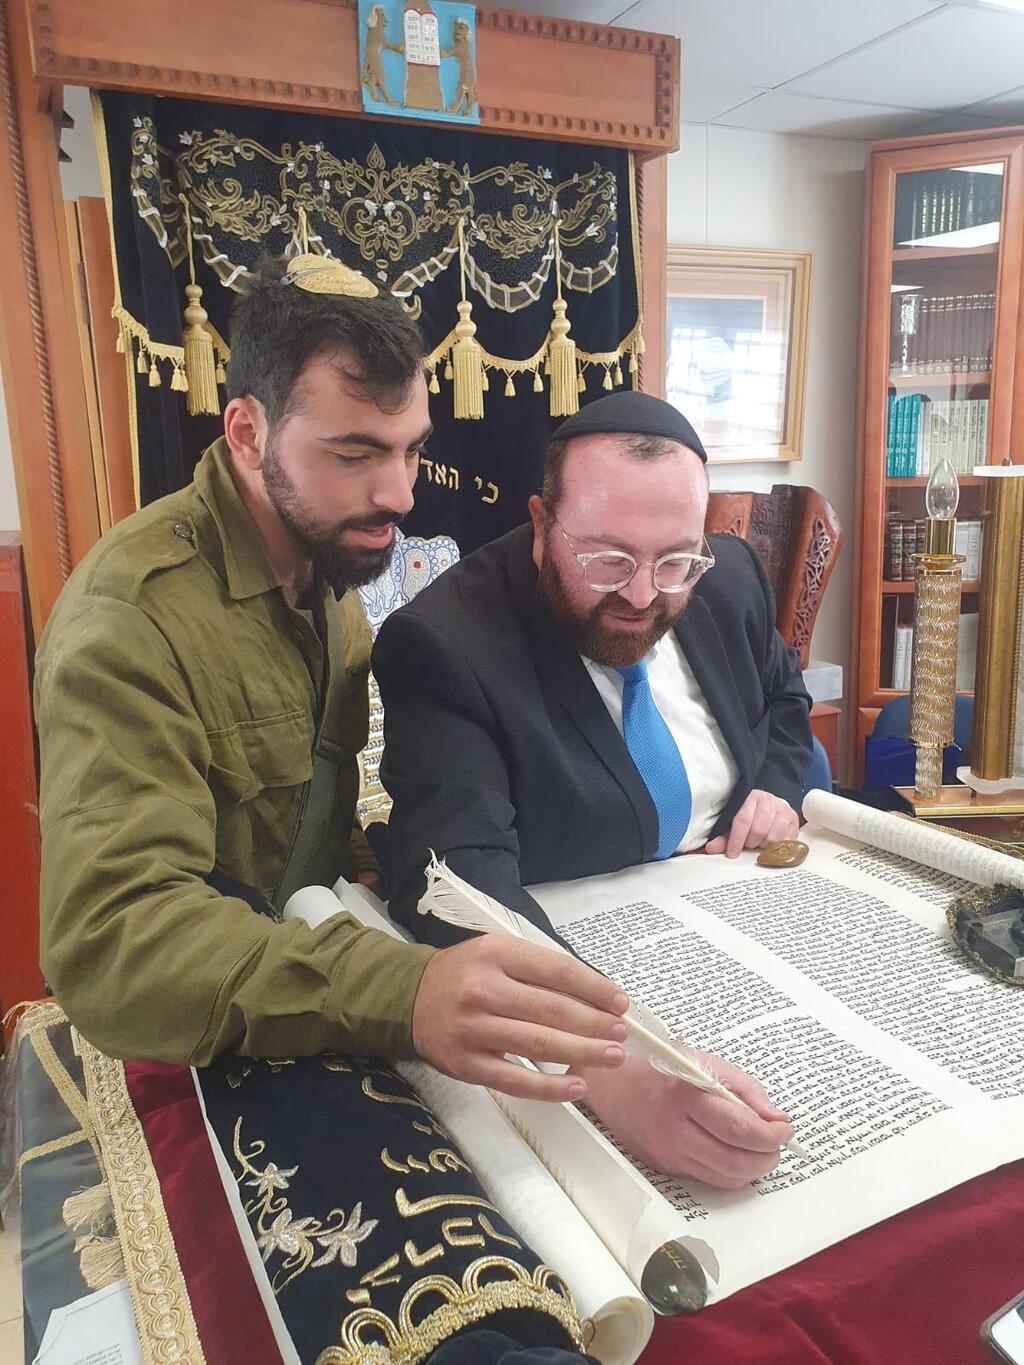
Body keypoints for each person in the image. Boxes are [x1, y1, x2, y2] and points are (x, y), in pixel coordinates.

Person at [34, 254, 632, 1362]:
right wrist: (404, 989)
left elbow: (316, 814)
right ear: (248, 433)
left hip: (307, 970)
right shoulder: (133, 621)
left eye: (408, 451)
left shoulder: (327, 571)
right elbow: (113, 942)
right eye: (355, 453)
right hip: (194, 1030)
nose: (398, 494)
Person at [374, 390, 808, 1188]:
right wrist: (616, 1064)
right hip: (592, 955)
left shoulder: (729, 578)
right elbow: (458, 881)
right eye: (607, 559)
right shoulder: (443, 645)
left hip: (757, 932)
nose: (643, 595)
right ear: (542, 527)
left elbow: (784, 700)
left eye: (674, 561)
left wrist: (776, 786)